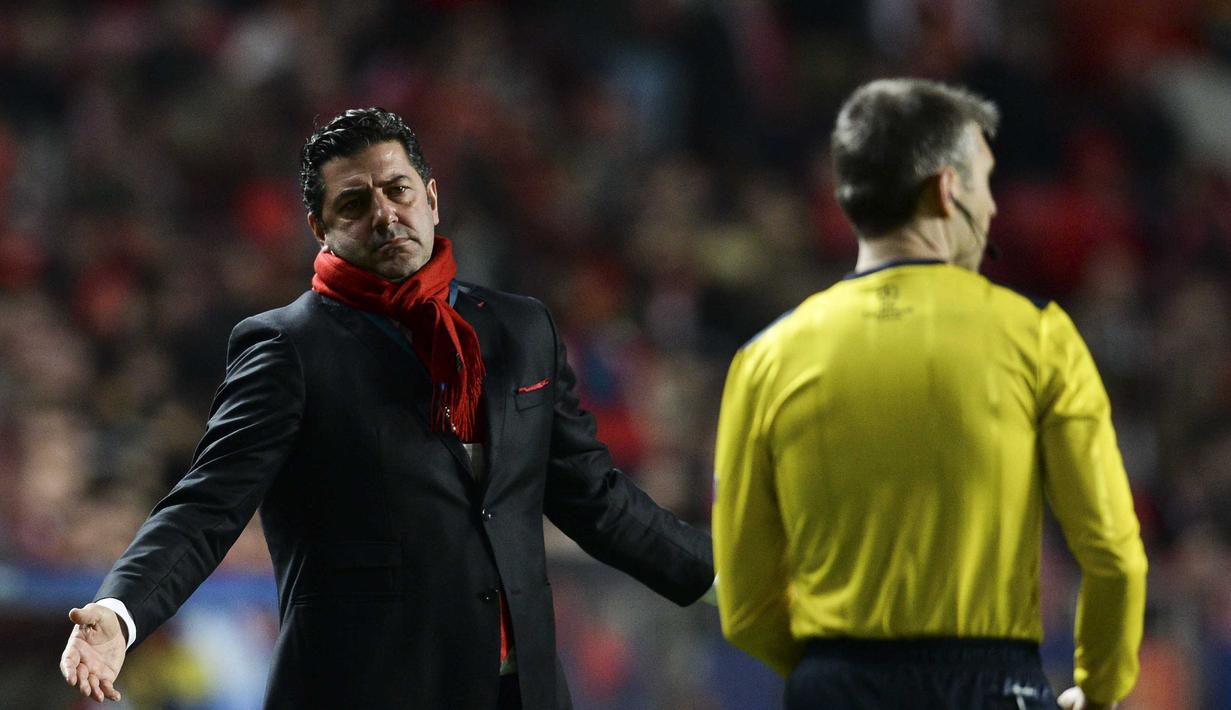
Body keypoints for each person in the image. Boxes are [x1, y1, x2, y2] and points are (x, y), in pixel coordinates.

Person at [58, 108, 715, 709]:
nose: (384, 214)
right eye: (354, 203)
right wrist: (120, 613)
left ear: (430, 198)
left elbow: (594, 498)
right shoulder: (288, 348)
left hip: (520, 694)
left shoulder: (520, 329)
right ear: (320, 229)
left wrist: (729, 578)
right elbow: (207, 505)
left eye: (397, 190)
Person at [711, 79, 1147, 710]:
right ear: (947, 190)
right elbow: (1113, 555)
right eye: (985, 181)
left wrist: (828, 676)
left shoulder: (765, 360)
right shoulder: (1039, 338)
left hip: (835, 683)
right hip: (992, 684)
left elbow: (745, 605)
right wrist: (1100, 688)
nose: (992, 208)